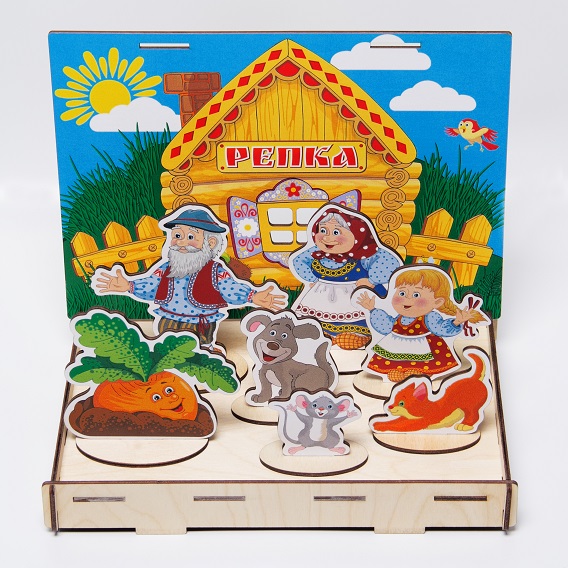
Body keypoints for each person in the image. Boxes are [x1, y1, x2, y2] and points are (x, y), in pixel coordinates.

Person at [93, 205, 286, 349]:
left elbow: (230, 288)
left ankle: (205, 362)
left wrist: (252, 296)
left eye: (191, 237)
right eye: (177, 235)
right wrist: (129, 286)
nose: (181, 242)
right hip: (169, 319)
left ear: (210, 243)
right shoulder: (167, 268)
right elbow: (152, 284)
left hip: (200, 322)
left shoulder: (215, 271)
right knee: (168, 346)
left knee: (201, 349)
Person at [290, 204, 401, 350]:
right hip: (321, 297)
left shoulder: (364, 253)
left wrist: (372, 280)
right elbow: (298, 260)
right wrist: (311, 279)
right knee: (316, 324)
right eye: (322, 230)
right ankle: (323, 334)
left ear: (357, 235)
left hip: (355, 297)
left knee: (355, 328)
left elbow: (389, 262)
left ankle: (356, 335)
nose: (327, 237)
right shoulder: (317, 252)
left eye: (336, 232)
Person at [356, 266, 486, 382]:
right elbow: (386, 327)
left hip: (426, 351)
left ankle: (418, 374)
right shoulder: (398, 318)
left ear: (437, 302)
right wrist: (372, 309)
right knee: (394, 367)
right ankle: (399, 373)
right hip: (396, 348)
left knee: (421, 368)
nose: (407, 299)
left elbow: (441, 328)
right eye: (402, 293)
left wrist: (456, 322)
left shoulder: (430, 317)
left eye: (416, 294)